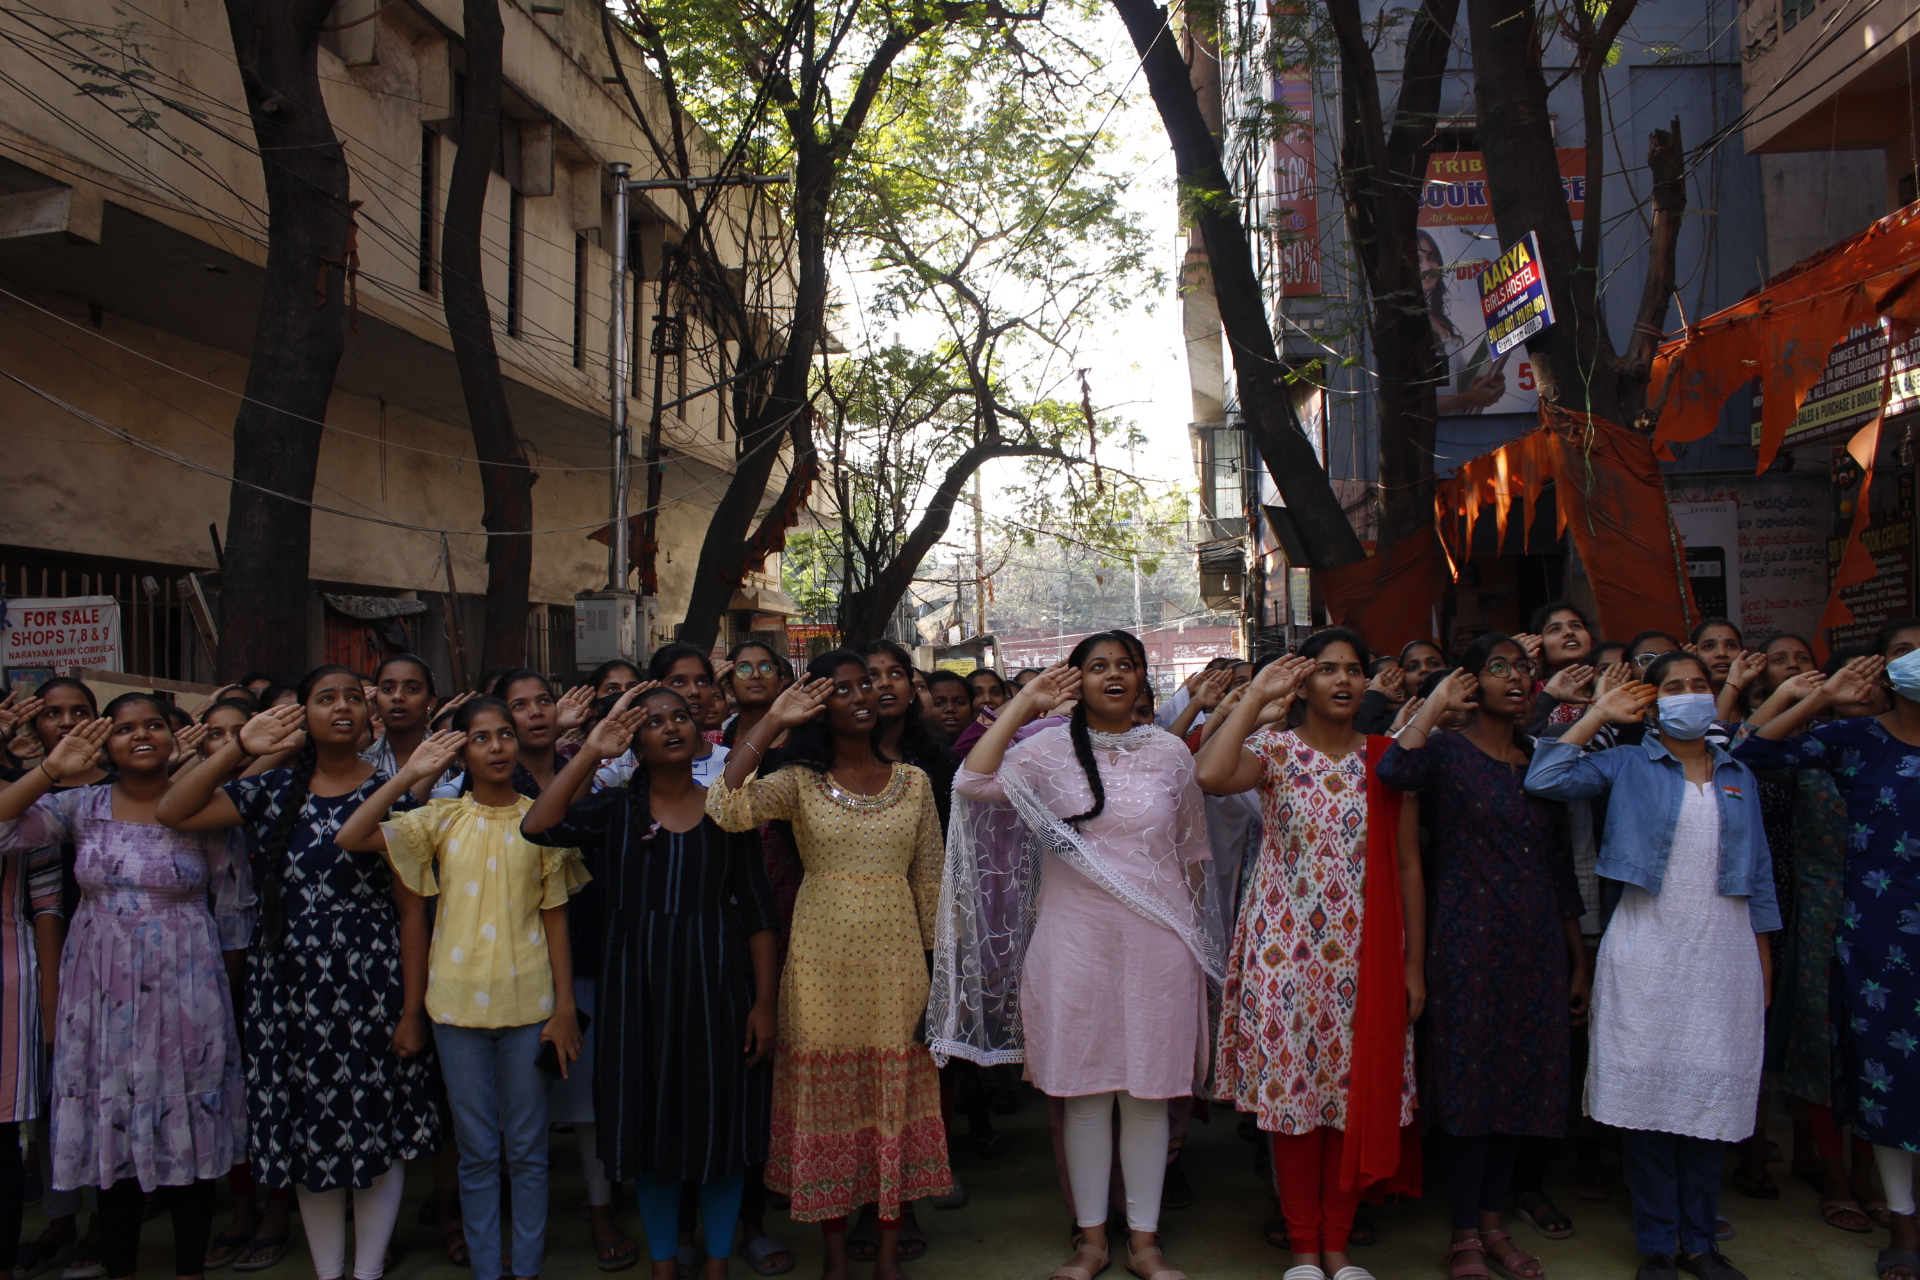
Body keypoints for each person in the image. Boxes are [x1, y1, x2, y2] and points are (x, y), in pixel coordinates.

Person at [934, 636, 1216, 1280]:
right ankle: (1091, 1243)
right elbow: (972, 781)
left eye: (1125, 666)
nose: (1114, 676)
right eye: (1098, 668)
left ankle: (1145, 1245)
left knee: (1147, 1095)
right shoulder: (1043, 752)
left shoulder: (1172, 753)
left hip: (1158, 945)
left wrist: (1189, 939)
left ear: (1144, 678)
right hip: (1072, 944)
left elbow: (1193, 856)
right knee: (1086, 1095)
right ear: (1077, 681)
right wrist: (1026, 703)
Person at [156, 668, 440, 1280]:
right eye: (324, 698)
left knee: (374, 1126)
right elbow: (174, 809)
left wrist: (413, 1011)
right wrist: (242, 745)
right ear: (302, 715)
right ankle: (328, 1271)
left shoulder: (396, 792)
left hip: (372, 983)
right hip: (286, 985)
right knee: (305, 1128)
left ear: (369, 719)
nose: (341, 708)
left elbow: (413, 910)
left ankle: (366, 1271)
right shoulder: (271, 788)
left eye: (351, 699)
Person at [1526, 651, 1778, 1280]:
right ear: (1652, 699)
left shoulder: (1739, 773)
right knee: (1649, 1102)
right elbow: (1545, 778)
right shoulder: (1626, 763)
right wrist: (1599, 714)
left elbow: (1763, 883)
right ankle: (1659, 1245)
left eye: (1699, 685)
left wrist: (1764, 966)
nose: (1689, 695)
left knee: (1707, 1105)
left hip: (1723, 958)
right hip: (1645, 951)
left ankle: (1702, 1243)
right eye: (1674, 686)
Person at [707, 652, 952, 1280]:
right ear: (819, 704)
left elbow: (930, 887)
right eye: (840, 689)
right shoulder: (798, 780)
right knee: (829, 1110)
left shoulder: (916, 783)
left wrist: (939, 982)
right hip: (818, 965)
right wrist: (766, 724)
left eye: (867, 682)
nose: (861, 694)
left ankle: (890, 1252)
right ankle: (836, 1256)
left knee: (892, 1099)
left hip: (897, 965)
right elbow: (725, 807)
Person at [523, 689, 780, 1280]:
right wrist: (591, 751)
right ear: (634, 743)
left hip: (718, 990)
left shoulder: (725, 807)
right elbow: (538, 825)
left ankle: (716, 1263)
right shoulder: (615, 812)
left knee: (721, 1131)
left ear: (700, 734)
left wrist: (763, 1004)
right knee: (651, 1133)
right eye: (653, 722)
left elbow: (759, 913)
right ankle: (665, 1265)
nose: (669, 728)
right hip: (636, 992)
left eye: (680, 718)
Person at [334, 697, 587, 1280]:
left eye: (505, 735)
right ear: (461, 750)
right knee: (476, 1152)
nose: (497, 747)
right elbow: (352, 835)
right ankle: (485, 1269)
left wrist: (566, 1008)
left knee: (527, 1150)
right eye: (481, 738)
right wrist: (411, 773)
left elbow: (556, 920)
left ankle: (525, 1266)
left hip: (531, 1008)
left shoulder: (540, 821)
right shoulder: (438, 819)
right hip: (451, 1008)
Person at [1194, 629, 1420, 1280]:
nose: (1344, 681)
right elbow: (1209, 774)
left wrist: (1413, 966)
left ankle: (1338, 1249)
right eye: (1327, 670)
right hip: (1285, 953)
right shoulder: (1274, 752)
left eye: (1355, 670)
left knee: (1355, 1096)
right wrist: (1256, 696)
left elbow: (1409, 867)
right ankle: (1302, 1250)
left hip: (1367, 953)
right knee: (1295, 1104)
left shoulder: (1386, 757)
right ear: (1304, 684)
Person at [0, 696, 245, 1280]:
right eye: (125, 728)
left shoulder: (204, 807)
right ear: (104, 743)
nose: (141, 736)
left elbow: (234, 909)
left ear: (173, 738)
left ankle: (189, 1269)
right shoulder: (79, 805)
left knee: (187, 1124)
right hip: (100, 990)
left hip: (190, 988)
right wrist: (49, 769)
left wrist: (229, 1002)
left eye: (154, 725)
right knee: (115, 1133)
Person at [1378, 637, 1589, 1279]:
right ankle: (1464, 1232)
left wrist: (1577, 960)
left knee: (1521, 1083)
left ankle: (1495, 1227)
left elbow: (1560, 871)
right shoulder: (1443, 752)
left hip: (1538, 946)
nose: (1518, 678)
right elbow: (1392, 772)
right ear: (1471, 682)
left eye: (1525, 668)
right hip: (1466, 939)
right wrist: (1437, 701)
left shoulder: (1538, 760)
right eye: (1499, 668)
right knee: (1471, 1088)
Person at [1734, 619, 1920, 1280]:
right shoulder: (1854, 740)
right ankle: (1903, 1222)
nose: (1917, 659)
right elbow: (1750, 755)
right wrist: (1819, 696)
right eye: (1903, 651)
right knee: (1888, 1078)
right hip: (1879, 935)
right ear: (1876, 669)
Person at [598, 646, 727, 791]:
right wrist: (592, 751)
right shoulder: (624, 759)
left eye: (702, 682)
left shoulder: (728, 761)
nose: (694, 691)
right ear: (655, 688)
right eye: (679, 682)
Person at [923, 671, 973, 745]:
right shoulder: (908, 752)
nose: (950, 709)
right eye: (939, 703)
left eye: (959, 702)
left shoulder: (987, 745)